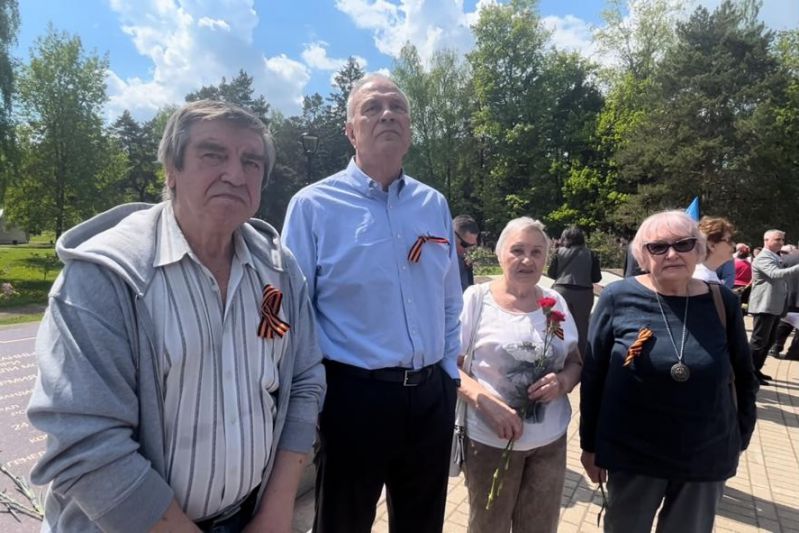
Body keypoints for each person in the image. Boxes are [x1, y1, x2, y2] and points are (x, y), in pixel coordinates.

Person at [27, 100, 326, 532]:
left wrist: (276, 510)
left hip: (250, 516)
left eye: (251, 161)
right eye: (213, 155)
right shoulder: (104, 277)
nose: (235, 174)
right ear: (171, 169)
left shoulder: (279, 269)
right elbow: (84, 440)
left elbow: (304, 380)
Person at [282, 73, 462, 533]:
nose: (387, 114)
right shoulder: (313, 206)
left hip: (430, 396)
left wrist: (448, 376)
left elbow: (448, 299)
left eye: (397, 107)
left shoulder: (433, 203)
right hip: (353, 399)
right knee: (342, 524)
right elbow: (294, 313)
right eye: (372, 108)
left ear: (410, 129)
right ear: (350, 131)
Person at [580, 210, 758, 533]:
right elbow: (593, 375)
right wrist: (590, 445)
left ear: (699, 249)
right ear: (642, 256)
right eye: (658, 247)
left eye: (683, 244)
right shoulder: (617, 298)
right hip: (633, 453)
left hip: (705, 455)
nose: (672, 254)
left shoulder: (722, 302)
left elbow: (745, 377)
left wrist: (739, 437)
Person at [457, 217, 581, 533]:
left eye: (537, 252)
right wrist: (484, 401)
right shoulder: (476, 299)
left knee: (540, 527)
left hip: (549, 445)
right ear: (500, 254)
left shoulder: (555, 301)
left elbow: (575, 362)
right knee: (488, 527)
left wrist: (563, 382)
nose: (527, 260)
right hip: (491, 443)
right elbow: (449, 365)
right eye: (518, 250)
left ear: (546, 258)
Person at [748, 229, 799, 384]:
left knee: (769, 341)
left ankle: (756, 370)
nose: (781, 242)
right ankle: (749, 373)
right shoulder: (763, 257)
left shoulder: (774, 256)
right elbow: (775, 274)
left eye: (782, 239)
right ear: (766, 240)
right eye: (778, 239)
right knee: (759, 342)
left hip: (774, 305)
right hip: (764, 305)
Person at [547, 226, 601, 356]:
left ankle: (556, 355)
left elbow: (551, 273)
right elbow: (596, 278)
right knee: (582, 327)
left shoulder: (559, 252)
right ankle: (581, 358)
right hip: (584, 293)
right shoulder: (591, 254)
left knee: (558, 325)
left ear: (564, 238)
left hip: (561, 291)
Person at [769, 245, 799, 360]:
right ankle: (793, 353)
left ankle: (775, 347)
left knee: (783, 323)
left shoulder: (786, 259)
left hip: (785, 298)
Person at [693, 216, 736, 283]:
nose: (733, 245)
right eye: (728, 240)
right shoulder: (703, 279)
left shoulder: (708, 275)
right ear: (712, 246)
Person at [453, 214, 480, 291]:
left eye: (472, 245)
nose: (468, 250)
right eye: (465, 245)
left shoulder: (463, 260)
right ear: (452, 235)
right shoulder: (437, 260)